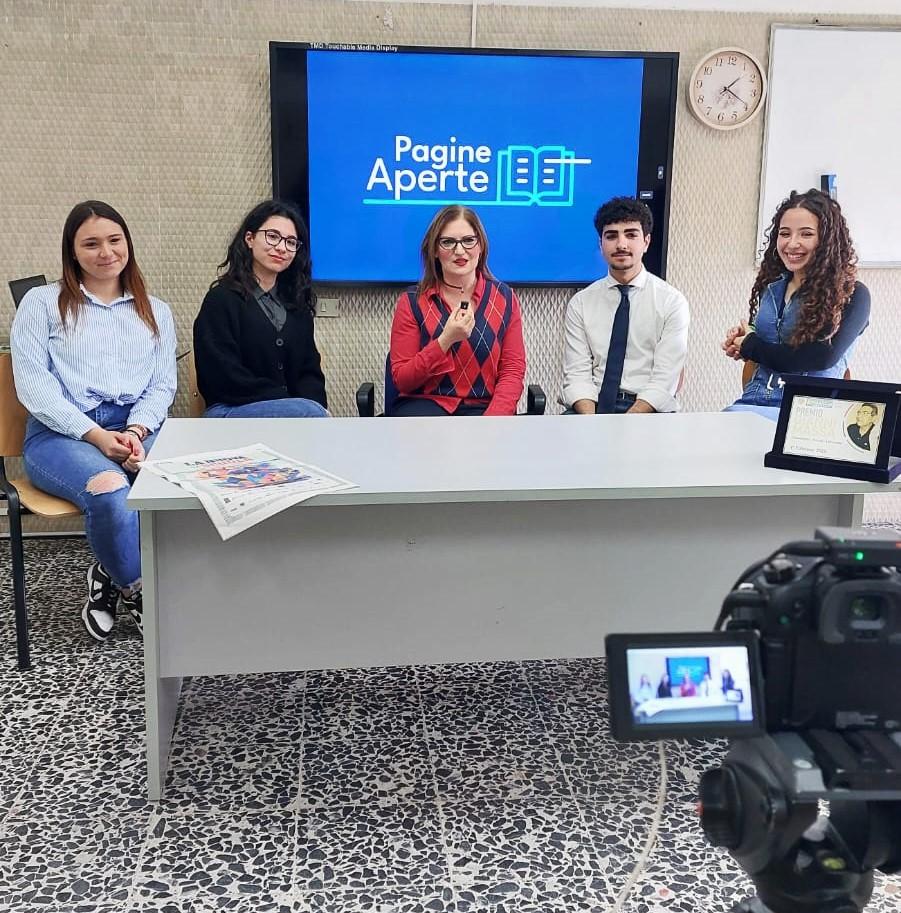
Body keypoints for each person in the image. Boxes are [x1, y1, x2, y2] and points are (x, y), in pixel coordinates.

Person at [11, 200, 176, 641]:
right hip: (62, 432)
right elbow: (33, 387)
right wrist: (98, 436)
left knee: (178, 482)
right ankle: (137, 591)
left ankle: (107, 566)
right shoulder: (42, 303)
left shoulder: (155, 310)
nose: (106, 252)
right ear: (72, 251)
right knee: (109, 490)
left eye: (114, 240)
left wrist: (137, 430)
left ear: (128, 244)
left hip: (138, 426)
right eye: (91, 243)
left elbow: (162, 385)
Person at [723, 189, 870, 419]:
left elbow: (820, 357)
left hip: (809, 416)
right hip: (752, 403)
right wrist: (746, 338)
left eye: (806, 234)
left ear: (827, 240)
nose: (792, 244)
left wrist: (751, 346)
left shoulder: (853, 295)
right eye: (784, 233)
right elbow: (771, 347)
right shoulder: (771, 288)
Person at [193, 199, 328, 418]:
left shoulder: (297, 305)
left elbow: (309, 372)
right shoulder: (221, 299)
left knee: (314, 414)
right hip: (230, 409)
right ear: (250, 238)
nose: (282, 248)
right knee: (308, 413)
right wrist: (292, 404)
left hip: (292, 413)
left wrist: (315, 406)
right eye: (273, 237)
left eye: (291, 242)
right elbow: (221, 375)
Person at [387, 205, 526, 416]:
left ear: (481, 246)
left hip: (483, 409)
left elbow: (512, 371)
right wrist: (445, 341)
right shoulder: (412, 302)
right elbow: (402, 380)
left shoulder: (504, 298)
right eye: (448, 242)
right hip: (424, 407)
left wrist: (492, 422)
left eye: (469, 240)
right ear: (434, 250)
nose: (459, 251)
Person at [562, 196, 689, 414]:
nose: (621, 244)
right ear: (600, 244)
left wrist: (625, 425)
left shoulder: (671, 301)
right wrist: (593, 425)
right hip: (593, 406)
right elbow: (577, 376)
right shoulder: (581, 303)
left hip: (648, 409)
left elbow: (665, 379)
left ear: (646, 242)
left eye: (631, 234)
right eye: (611, 236)